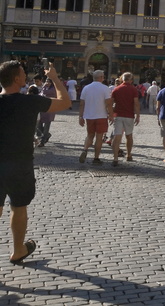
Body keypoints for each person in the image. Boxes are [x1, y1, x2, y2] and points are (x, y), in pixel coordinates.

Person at [0, 61, 71, 264]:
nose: (26, 76)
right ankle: (18, 250)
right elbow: (64, 102)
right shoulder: (29, 101)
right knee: (19, 206)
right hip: (19, 163)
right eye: (23, 73)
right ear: (17, 79)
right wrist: (55, 78)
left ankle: (18, 250)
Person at [78, 70, 113, 164]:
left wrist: (81, 116)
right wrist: (111, 114)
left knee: (90, 135)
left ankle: (85, 149)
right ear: (101, 77)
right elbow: (108, 103)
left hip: (89, 116)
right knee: (99, 137)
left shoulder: (86, 88)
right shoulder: (105, 88)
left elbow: (81, 103)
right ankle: (96, 158)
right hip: (101, 115)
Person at [110, 72, 141, 166]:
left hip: (118, 114)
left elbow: (111, 103)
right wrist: (138, 115)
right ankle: (128, 154)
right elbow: (136, 103)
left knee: (117, 136)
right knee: (129, 135)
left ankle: (115, 158)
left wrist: (110, 114)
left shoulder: (116, 89)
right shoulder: (133, 89)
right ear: (131, 80)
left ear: (122, 79)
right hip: (129, 115)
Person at [35, 77, 57, 147]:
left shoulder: (53, 89)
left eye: (49, 82)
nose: (47, 83)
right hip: (42, 109)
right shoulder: (44, 88)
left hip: (50, 109)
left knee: (46, 127)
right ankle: (47, 135)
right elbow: (40, 95)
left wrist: (43, 87)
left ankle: (42, 142)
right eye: (46, 81)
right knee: (39, 125)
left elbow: (44, 93)